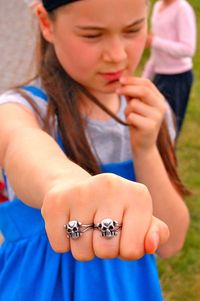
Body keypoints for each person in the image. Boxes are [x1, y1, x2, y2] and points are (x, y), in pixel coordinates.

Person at [0, 0, 189, 300]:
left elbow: (171, 242)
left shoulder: (152, 111)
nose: (117, 55)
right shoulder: (23, 108)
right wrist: (68, 185)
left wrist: (145, 148)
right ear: (46, 24)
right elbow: (22, 146)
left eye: (133, 30)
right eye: (92, 35)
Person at [143, 0, 196, 137]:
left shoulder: (182, 9)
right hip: (159, 76)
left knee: (169, 132)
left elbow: (188, 49)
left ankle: (168, 158)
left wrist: (154, 41)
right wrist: (145, 78)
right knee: (154, 128)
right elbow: (156, 53)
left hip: (178, 78)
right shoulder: (157, 6)